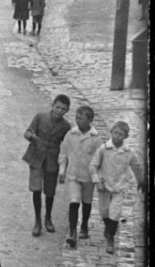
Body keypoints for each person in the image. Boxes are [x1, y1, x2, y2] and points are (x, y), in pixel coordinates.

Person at [89, 121, 145, 254]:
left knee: (115, 213)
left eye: (121, 134)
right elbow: (93, 166)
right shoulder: (103, 149)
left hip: (119, 187)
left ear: (125, 136)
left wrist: (141, 181)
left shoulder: (128, 152)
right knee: (104, 211)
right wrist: (97, 181)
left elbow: (136, 166)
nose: (117, 136)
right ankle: (109, 227)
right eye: (115, 133)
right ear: (111, 132)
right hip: (104, 186)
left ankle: (110, 238)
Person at [23, 94, 71, 236]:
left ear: (67, 111)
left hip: (52, 160)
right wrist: (32, 137)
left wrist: (64, 167)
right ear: (52, 105)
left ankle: (48, 217)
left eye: (63, 109)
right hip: (36, 156)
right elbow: (27, 132)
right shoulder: (39, 117)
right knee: (36, 189)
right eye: (57, 107)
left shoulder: (66, 126)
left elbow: (67, 147)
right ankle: (37, 221)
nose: (59, 111)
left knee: (50, 191)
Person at [58, 105, 104, 248]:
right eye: (76, 118)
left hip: (88, 177)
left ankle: (84, 225)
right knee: (74, 201)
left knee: (87, 202)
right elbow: (64, 153)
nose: (78, 121)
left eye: (81, 118)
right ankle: (72, 232)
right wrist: (62, 169)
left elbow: (101, 159)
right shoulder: (71, 134)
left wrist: (99, 177)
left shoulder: (96, 139)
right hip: (73, 175)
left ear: (90, 120)